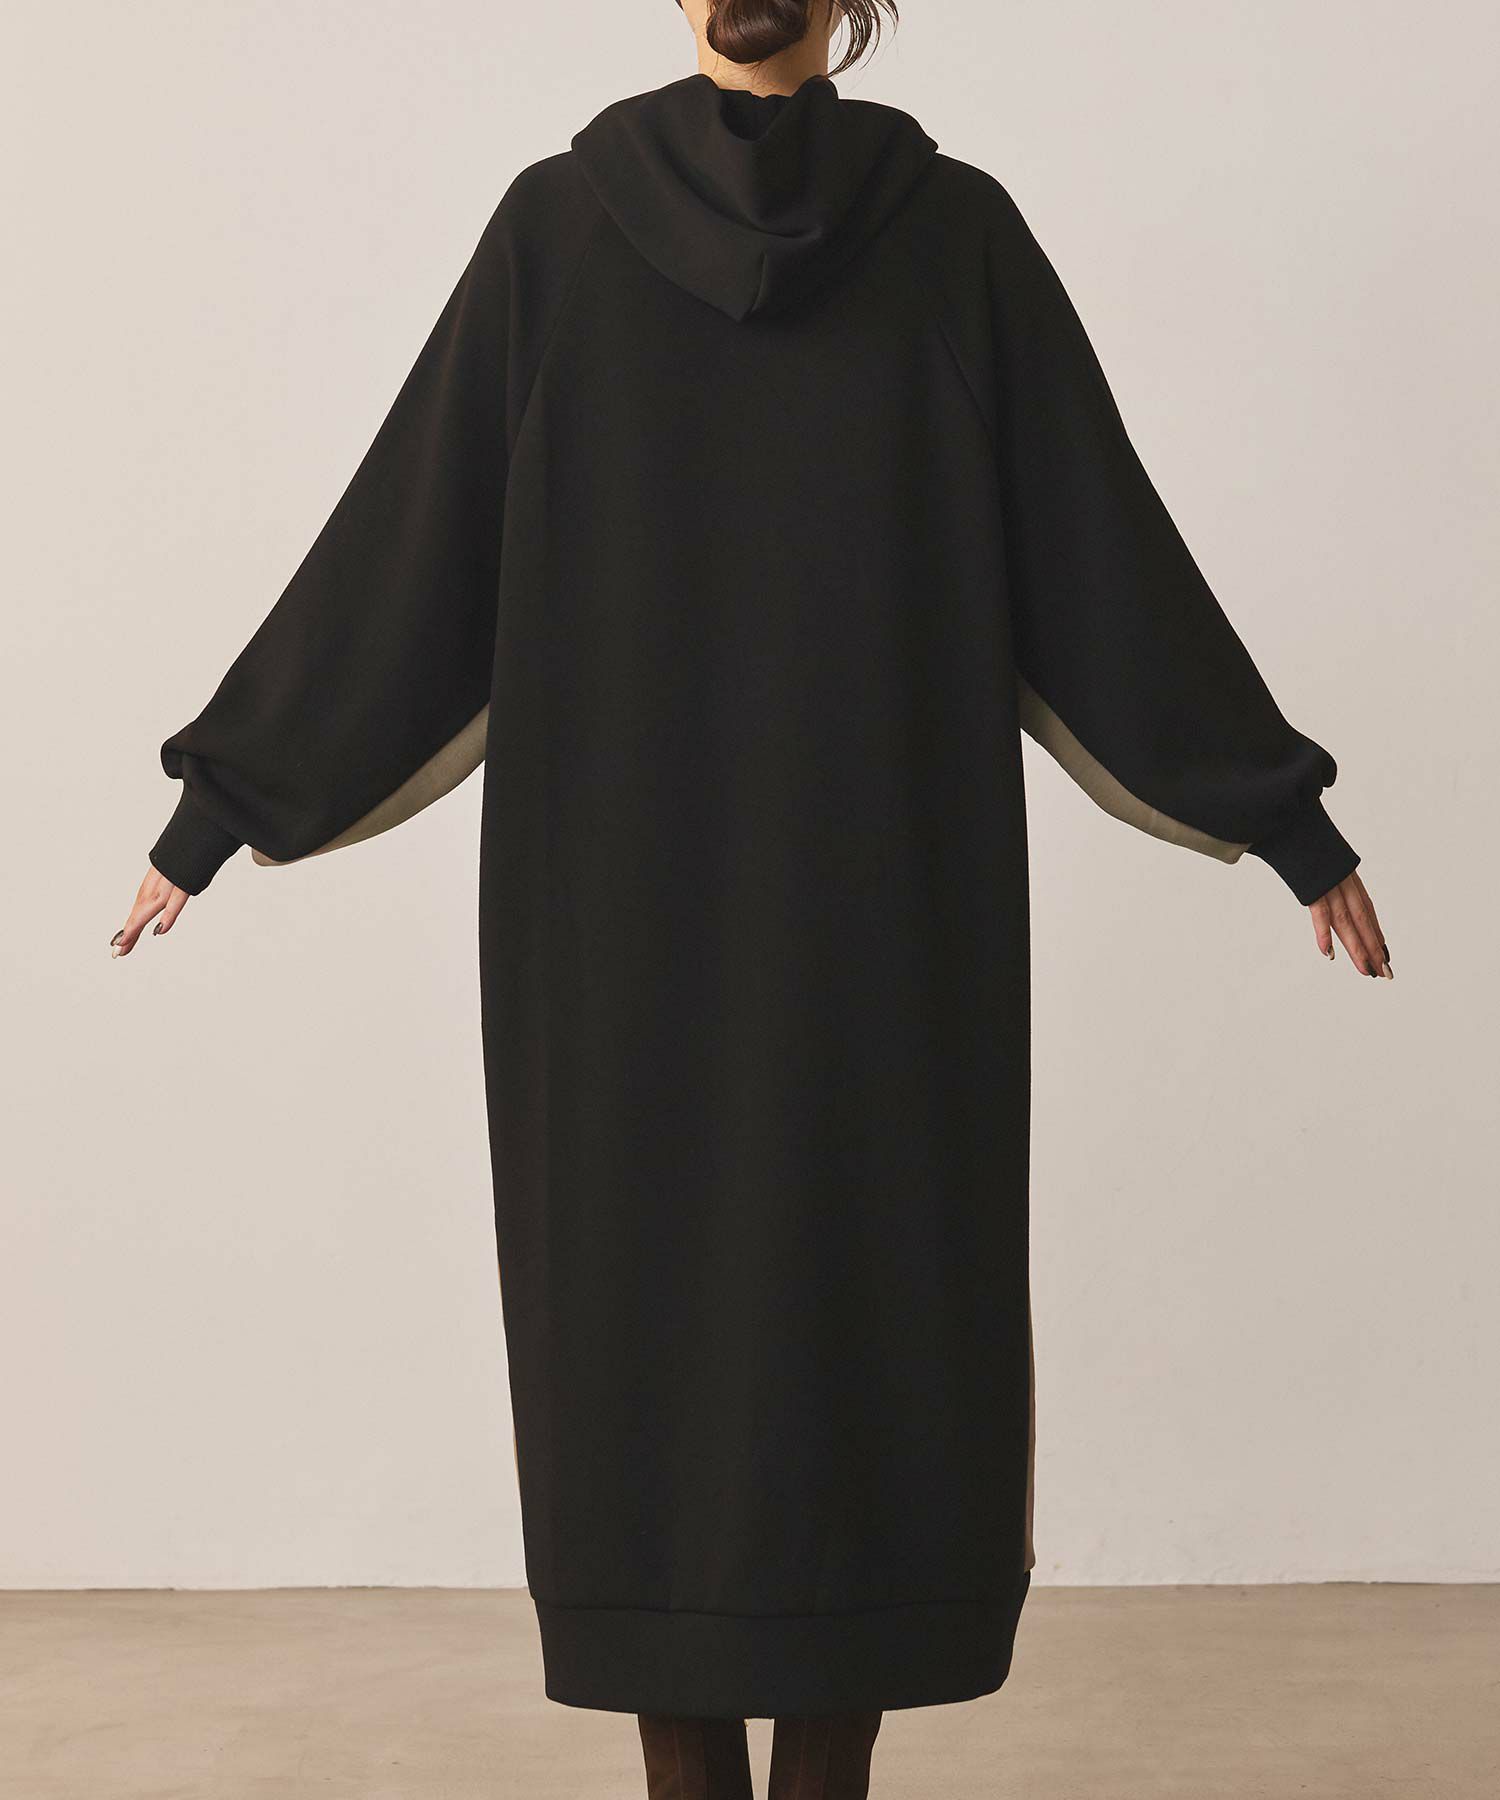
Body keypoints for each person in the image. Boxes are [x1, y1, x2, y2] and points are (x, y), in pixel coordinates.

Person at [114, 2, 1391, 1794]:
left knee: (730, 1348)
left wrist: (1284, 819)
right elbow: (421, 540)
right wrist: (221, 808)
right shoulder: (585, 236)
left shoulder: (929, 243)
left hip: (691, 933)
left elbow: (1095, 548)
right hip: (838, 930)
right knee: (815, 1339)